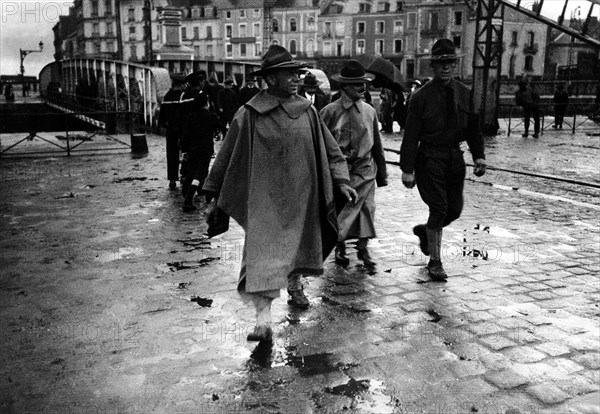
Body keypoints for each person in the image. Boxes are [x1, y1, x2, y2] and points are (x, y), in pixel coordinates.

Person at [202, 45, 357, 342]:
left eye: (296, 73)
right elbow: (227, 154)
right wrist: (213, 191)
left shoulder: (308, 112)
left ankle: (295, 287)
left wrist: (340, 179)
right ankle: (263, 322)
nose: (296, 79)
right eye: (288, 74)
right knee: (263, 257)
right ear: (270, 79)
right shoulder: (248, 114)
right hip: (264, 200)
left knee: (298, 250)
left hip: (302, 197)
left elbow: (330, 150)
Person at [400, 38, 486, 281]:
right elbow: (411, 135)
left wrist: (479, 155)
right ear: (433, 67)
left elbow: (473, 128)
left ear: (455, 65)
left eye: (450, 62)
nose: (446, 67)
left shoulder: (463, 93)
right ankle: (435, 262)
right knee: (438, 207)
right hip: (429, 158)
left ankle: (427, 234)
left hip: (454, 158)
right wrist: (407, 169)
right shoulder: (420, 97)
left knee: (455, 210)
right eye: (440, 63)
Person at [320, 60, 388, 270]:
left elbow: (377, 144)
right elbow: (321, 145)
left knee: (367, 209)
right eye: (358, 84)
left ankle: (363, 247)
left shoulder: (369, 111)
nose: (363, 87)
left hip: (365, 170)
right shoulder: (329, 112)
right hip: (341, 174)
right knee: (342, 213)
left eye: (364, 83)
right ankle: (339, 246)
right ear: (345, 86)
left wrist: (382, 175)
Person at [180, 93, 224, 212]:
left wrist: (184, 150)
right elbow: (221, 128)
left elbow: (185, 136)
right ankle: (188, 200)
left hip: (192, 149)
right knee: (200, 174)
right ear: (206, 103)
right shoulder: (211, 116)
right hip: (205, 150)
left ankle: (188, 193)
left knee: (192, 172)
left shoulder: (191, 116)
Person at [158, 74, 188, 190]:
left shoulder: (166, 97)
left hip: (171, 131)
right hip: (182, 131)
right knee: (186, 154)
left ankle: (172, 180)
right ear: (181, 85)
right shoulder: (183, 96)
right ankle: (184, 176)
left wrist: (169, 126)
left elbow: (162, 120)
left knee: (171, 155)